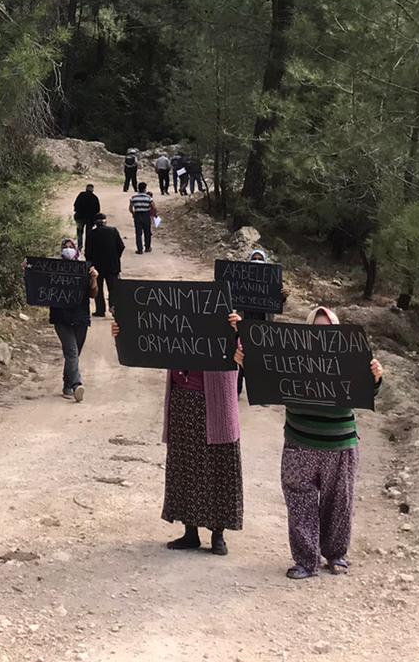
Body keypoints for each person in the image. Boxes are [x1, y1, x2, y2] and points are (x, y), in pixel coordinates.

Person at [110, 312, 244, 556]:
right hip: (183, 400)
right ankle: (190, 531)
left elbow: (247, 357)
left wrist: (238, 332)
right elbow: (145, 341)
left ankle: (218, 534)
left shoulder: (227, 327)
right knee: (185, 465)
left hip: (216, 405)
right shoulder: (177, 327)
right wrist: (124, 333)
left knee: (217, 464)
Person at [275, 305, 384, 580]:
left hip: (340, 443)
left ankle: (336, 555)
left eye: (329, 329)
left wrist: (375, 377)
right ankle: (305, 560)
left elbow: (366, 392)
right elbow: (266, 378)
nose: (323, 335)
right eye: (317, 328)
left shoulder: (350, 357)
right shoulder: (291, 358)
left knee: (339, 502)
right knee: (300, 503)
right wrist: (246, 362)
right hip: (299, 442)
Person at [41, 237, 97, 401]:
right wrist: (29, 271)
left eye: (71, 245)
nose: (68, 247)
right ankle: (76, 385)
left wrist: (94, 278)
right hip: (61, 319)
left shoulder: (85, 269)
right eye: (65, 245)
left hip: (80, 318)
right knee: (72, 352)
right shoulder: (53, 268)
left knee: (74, 354)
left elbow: (93, 294)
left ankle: (67, 385)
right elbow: (39, 284)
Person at [235, 247, 286, 398]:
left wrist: (282, 296)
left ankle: (261, 393)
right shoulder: (242, 280)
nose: (257, 261)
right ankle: (236, 390)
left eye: (260, 258)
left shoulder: (271, 282)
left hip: (263, 325)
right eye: (254, 258)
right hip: (244, 322)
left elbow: (277, 304)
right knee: (240, 356)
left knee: (260, 360)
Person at [84, 213, 124, 317]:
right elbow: (121, 246)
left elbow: (87, 252)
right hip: (112, 265)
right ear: (105, 221)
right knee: (113, 288)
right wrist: (116, 257)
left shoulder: (91, 234)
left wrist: (90, 264)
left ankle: (100, 310)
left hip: (97, 266)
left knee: (98, 288)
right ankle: (114, 307)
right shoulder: (113, 231)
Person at [128, 182, 155, 254]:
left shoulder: (133, 197)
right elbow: (154, 207)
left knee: (138, 233)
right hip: (146, 215)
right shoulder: (148, 197)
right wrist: (153, 214)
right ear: (145, 189)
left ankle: (139, 249)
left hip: (137, 215)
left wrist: (133, 213)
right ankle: (147, 247)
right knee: (147, 232)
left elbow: (130, 208)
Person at [72, 184, 100, 250]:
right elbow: (97, 210)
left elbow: (75, 205)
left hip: (80, 218)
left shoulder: (81, 195)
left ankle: (79, 246)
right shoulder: (94, 197)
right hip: (90, 219)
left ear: (86, 188)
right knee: (89, 234)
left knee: (79, 233)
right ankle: (87, 247)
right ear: (92, 190)